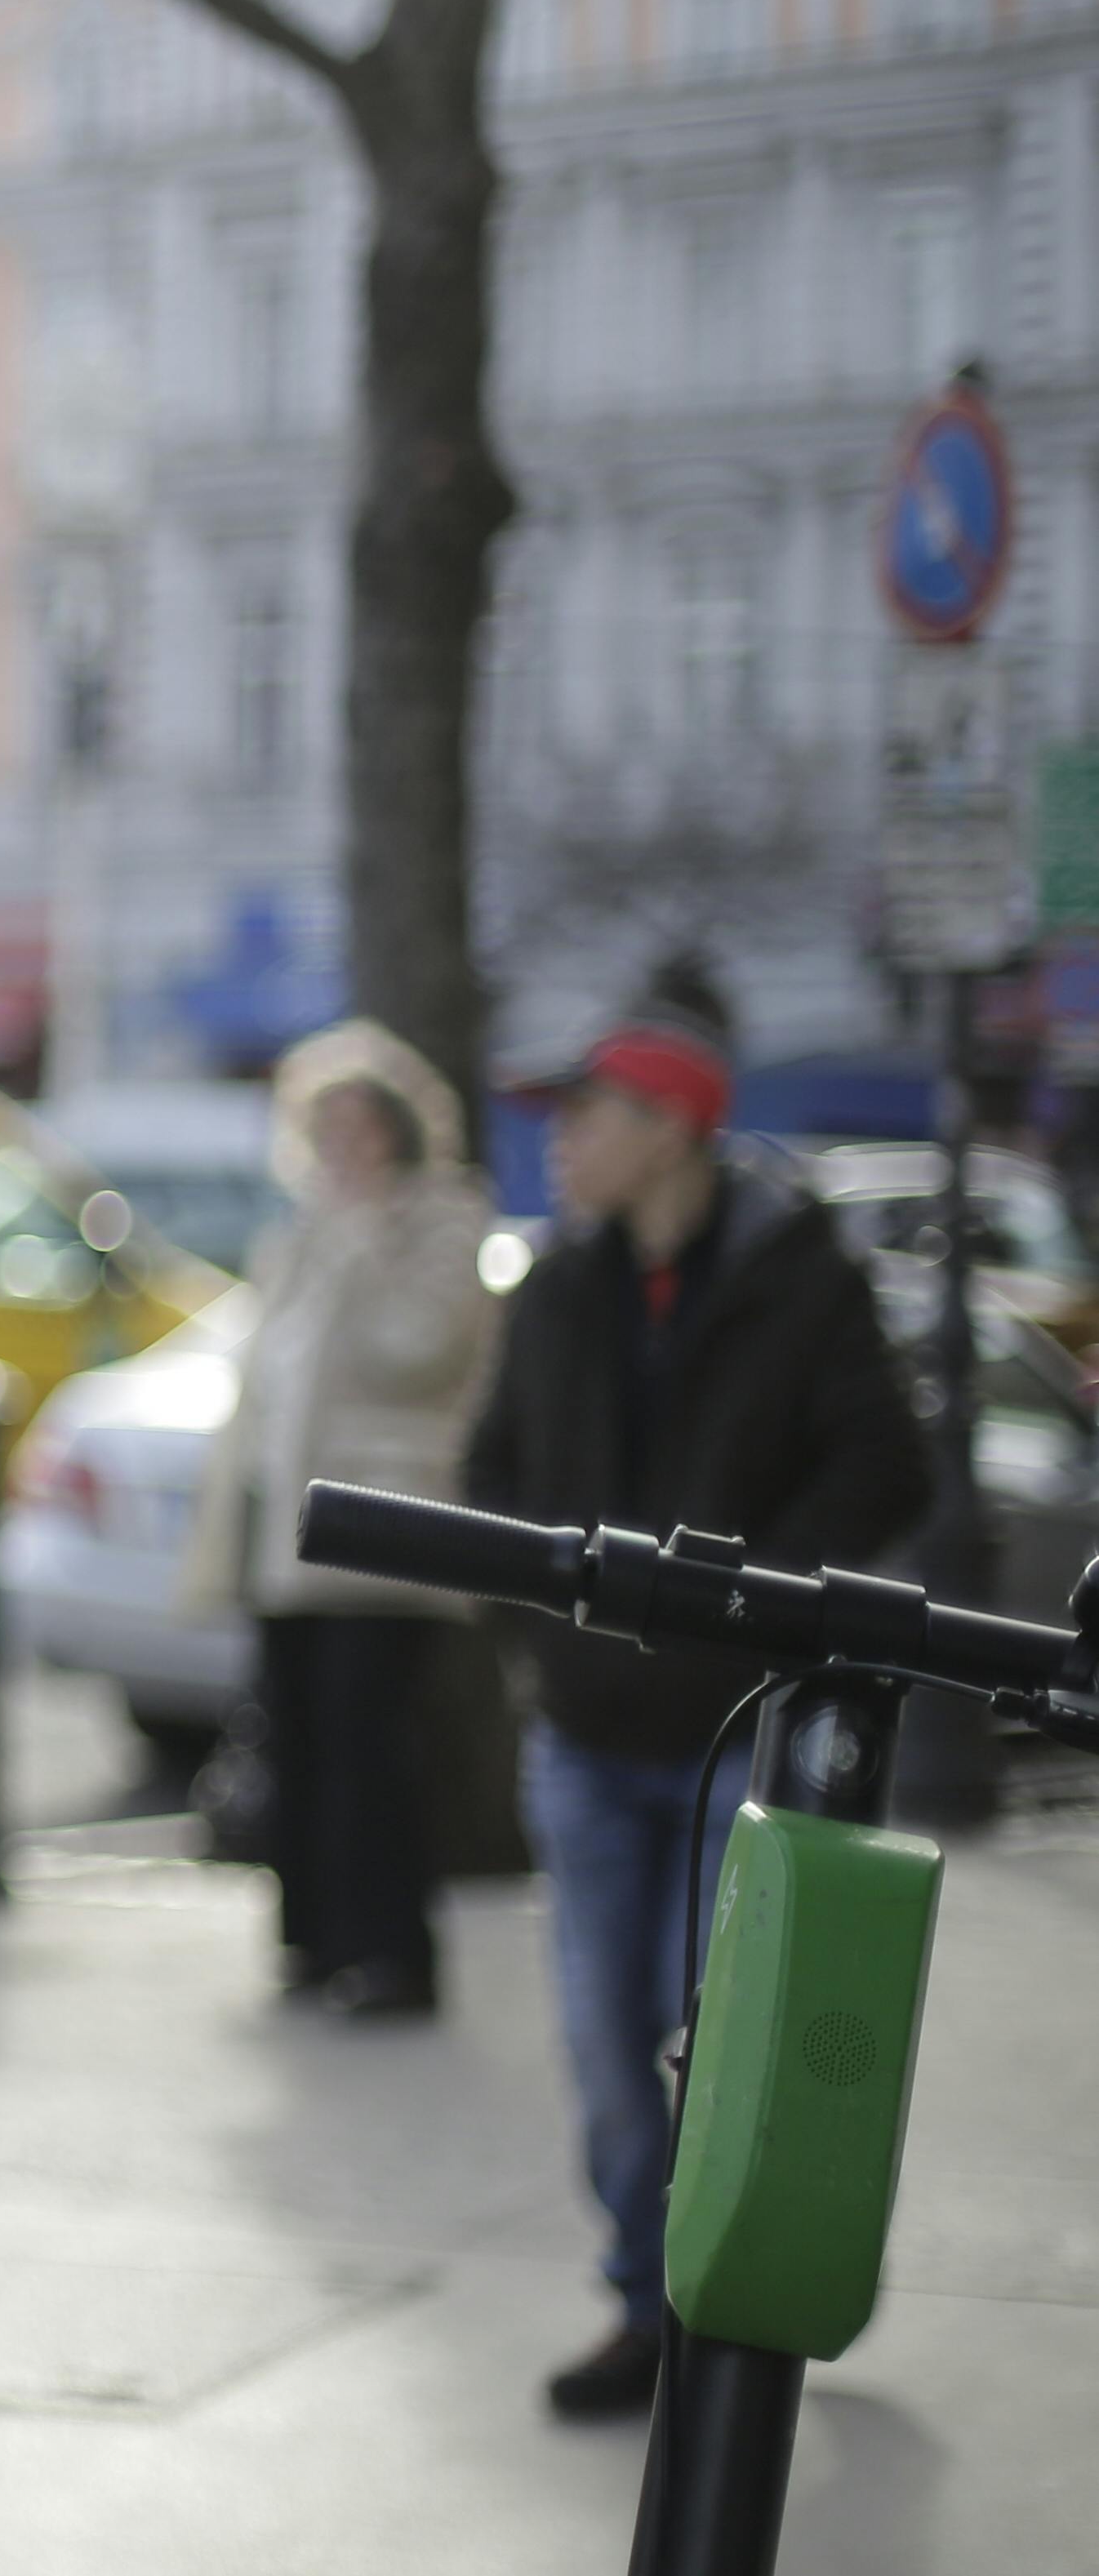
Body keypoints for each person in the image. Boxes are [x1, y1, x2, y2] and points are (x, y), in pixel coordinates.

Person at [461, 971, 928, 2421]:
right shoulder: (558, 1280)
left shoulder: (804, 1279)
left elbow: (887, 1469)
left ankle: (738, 2305)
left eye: (584, 1115)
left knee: (720, 2046)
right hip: (590, 1737)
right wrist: (547, 1637)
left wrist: (750, 1603)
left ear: (673, 1126)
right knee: (611, 2046)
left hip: (744, 1737)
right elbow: (496, 1477)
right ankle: (642, 2304)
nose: (558, 1143)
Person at [183, 1020, 500, 2018]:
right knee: (299, 1738)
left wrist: (365, 1238)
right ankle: (312, 1940)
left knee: (375, 1751)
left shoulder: (439, 1222)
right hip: (284, 1534)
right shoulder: (298, 1234)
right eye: (326, 1127)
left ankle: (392, 1953)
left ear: (401, 1129)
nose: (343, 1148)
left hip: (382, 1532)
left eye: (361, 1125)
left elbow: (421, 1351)